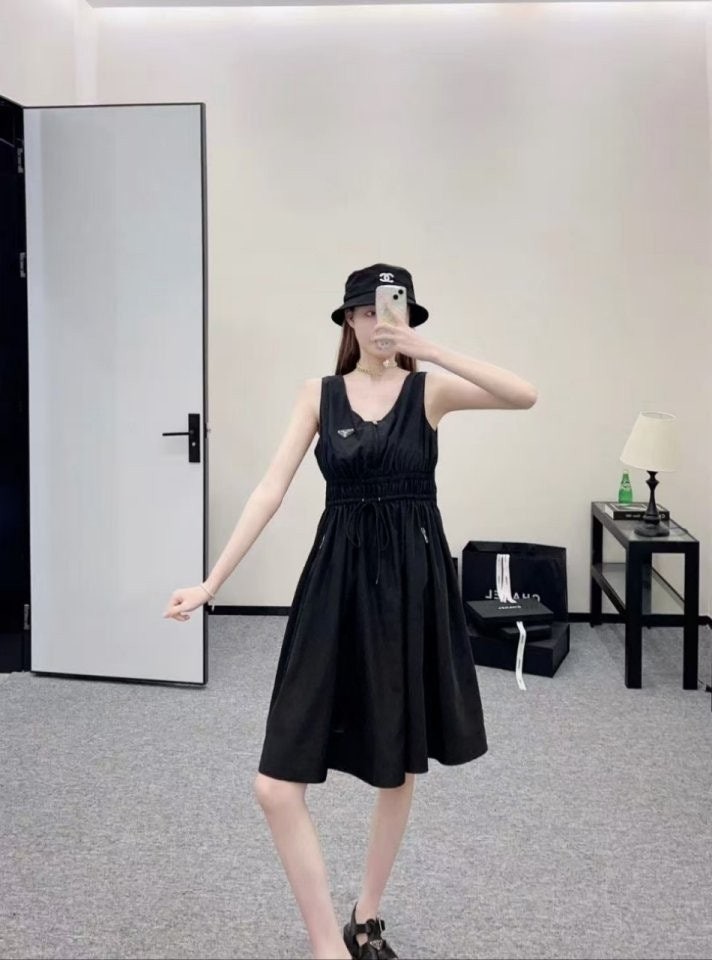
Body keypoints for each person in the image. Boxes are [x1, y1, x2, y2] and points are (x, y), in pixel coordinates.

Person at [163, 263, 538, 960]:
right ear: (348, 321)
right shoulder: (319, 394)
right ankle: (325, 946)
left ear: (408, 316)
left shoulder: (429, 391)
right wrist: (211, 584)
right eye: (366, 310)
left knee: (397, 764)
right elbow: (270, 490)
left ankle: (364, 919)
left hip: (412, 589)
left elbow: (524, 394)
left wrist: (429, 350)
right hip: (334, 584)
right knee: (275, 786)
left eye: (392, 309)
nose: (379, 322)